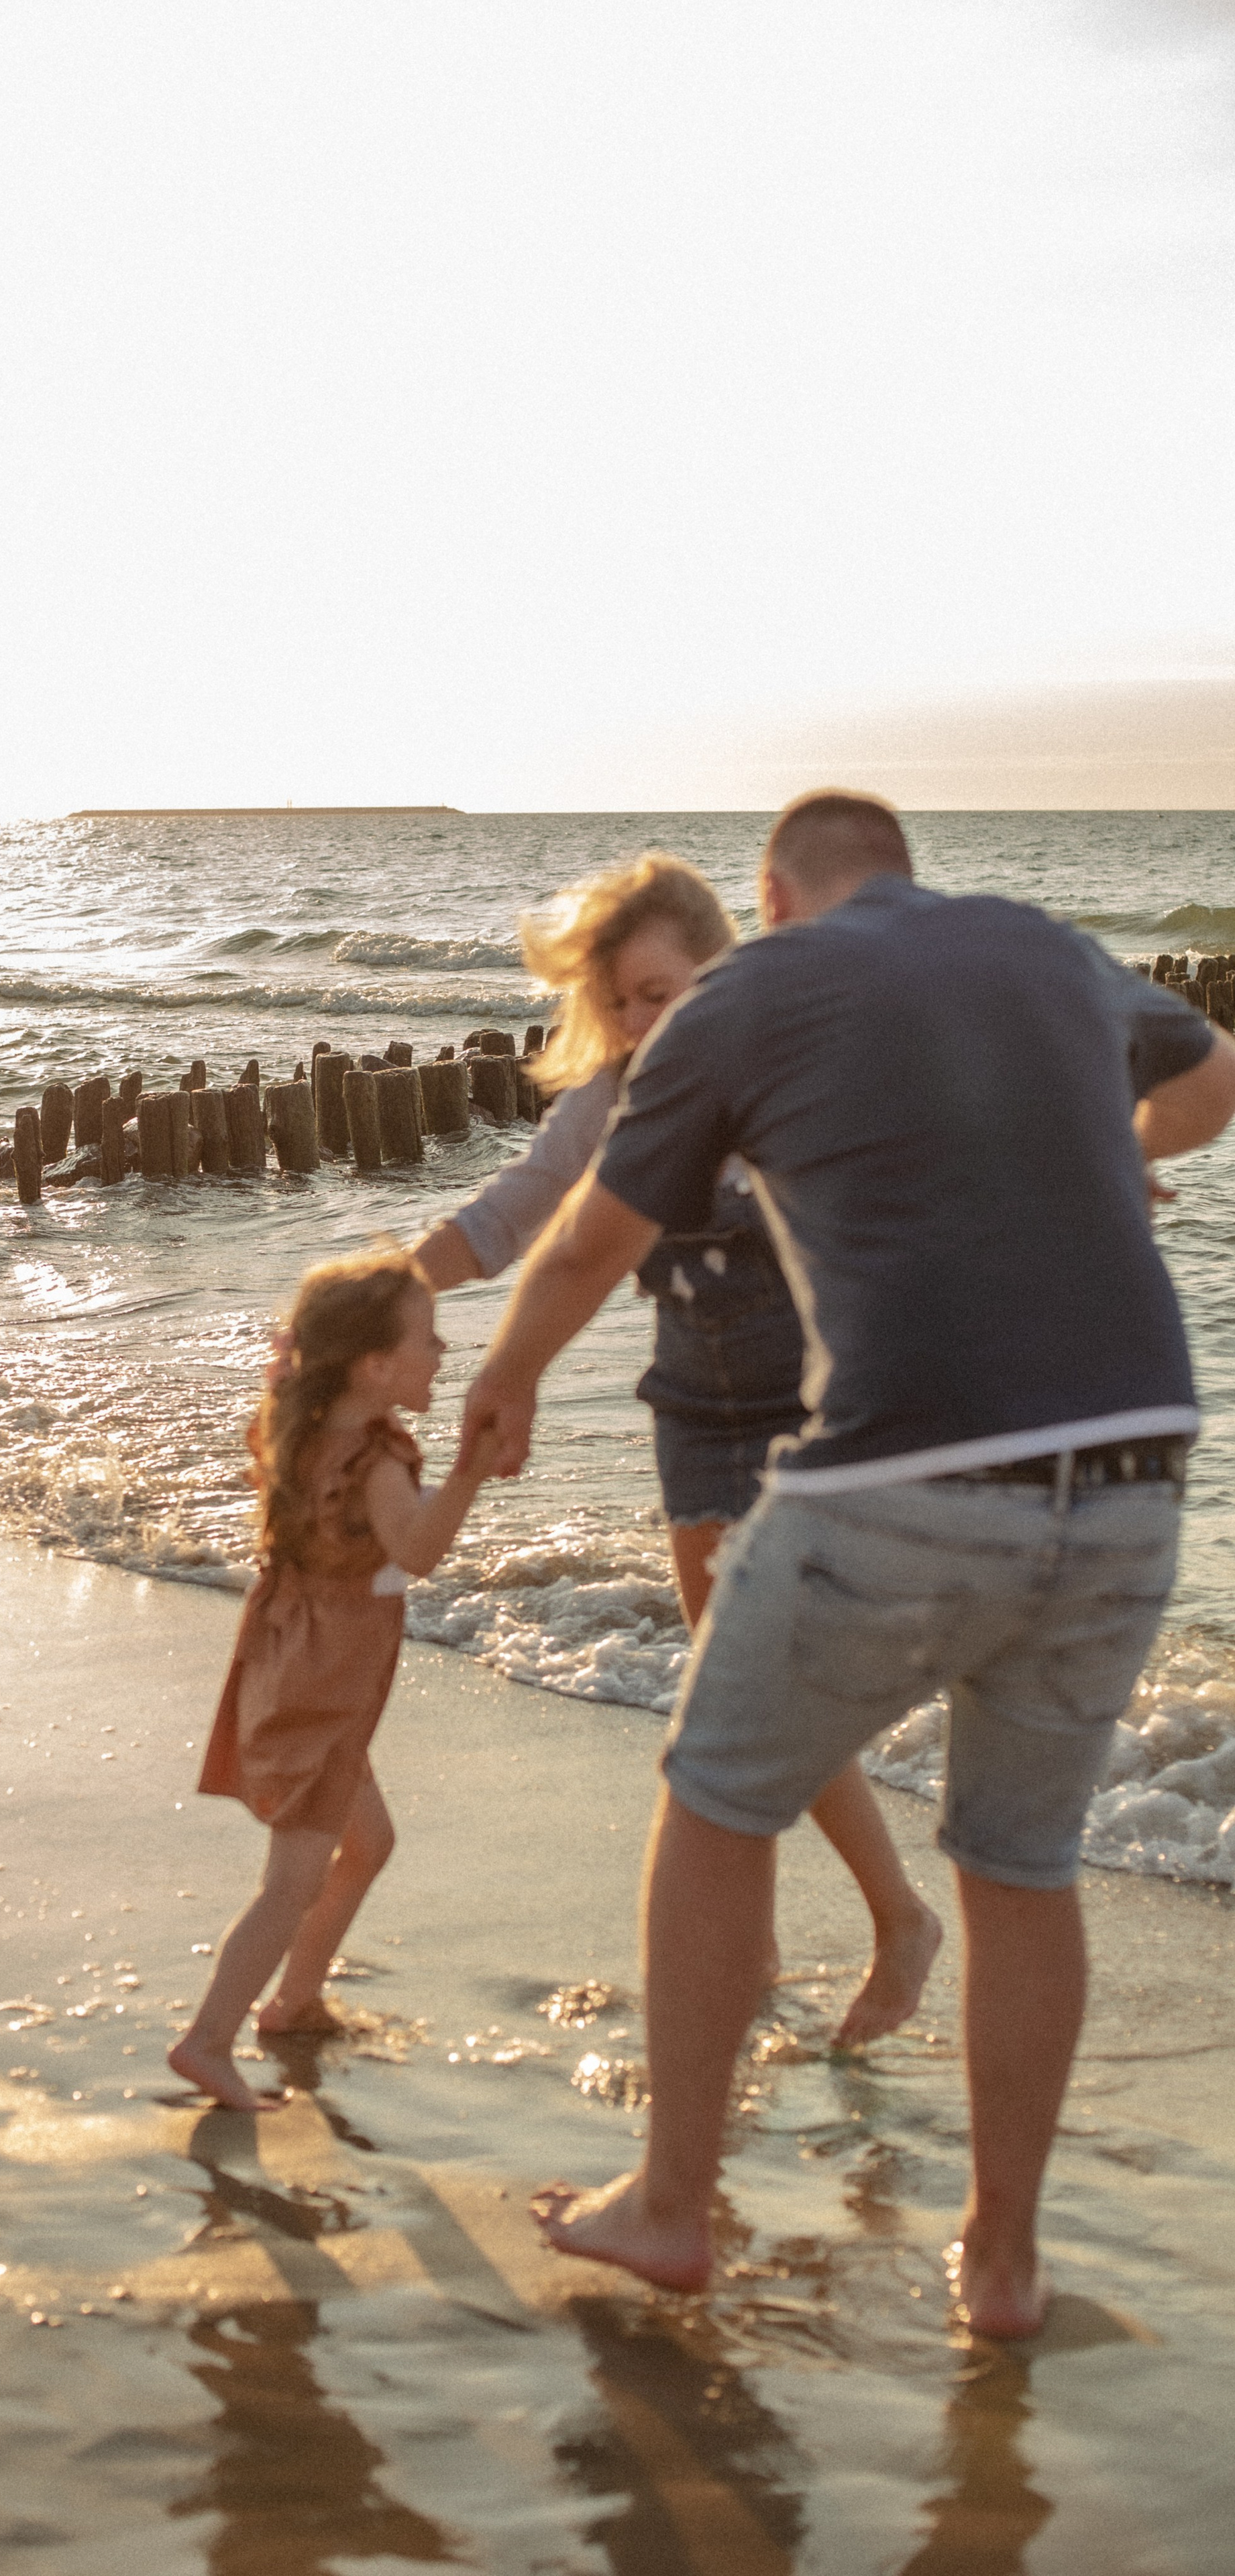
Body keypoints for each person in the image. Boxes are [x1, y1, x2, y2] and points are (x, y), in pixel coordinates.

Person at [458, 790, 1235, 2339]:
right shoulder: (1039, 945)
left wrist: (503, 1381)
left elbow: (598, 1235)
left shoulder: (749, 991)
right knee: (1020, 1865)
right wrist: (1104, 1152)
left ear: (773, 895)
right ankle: (999, 2261)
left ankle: (669, 2206)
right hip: (1137, 1475)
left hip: (904, 1475)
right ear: (902, 871)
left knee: (714, 1795)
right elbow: (1212, 1079)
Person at [415, 853, 941, 2047]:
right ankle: (771, 1942)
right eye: (623, 1002)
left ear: (725, 975)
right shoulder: (609, 1106)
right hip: (694, 1419)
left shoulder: (794, 1083)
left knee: (752, 1689)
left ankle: (883, 1921)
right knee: (734, 1687)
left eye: (668, 992)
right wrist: (402, 1281)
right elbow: (518, 1215)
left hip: (812, 1418)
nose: (647, 1021)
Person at [170, 1248, 502, 2112]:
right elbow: (419, 1552)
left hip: (296, 1664)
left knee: (369, 1845)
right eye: (429, 1341)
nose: (443, 1356)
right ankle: (208, 2040)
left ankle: (295, 2000)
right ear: (375, 1366)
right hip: (324, 1687)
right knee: (293, 1880)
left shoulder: (307, 1424)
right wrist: (470, 1465)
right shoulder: (377, 1460)